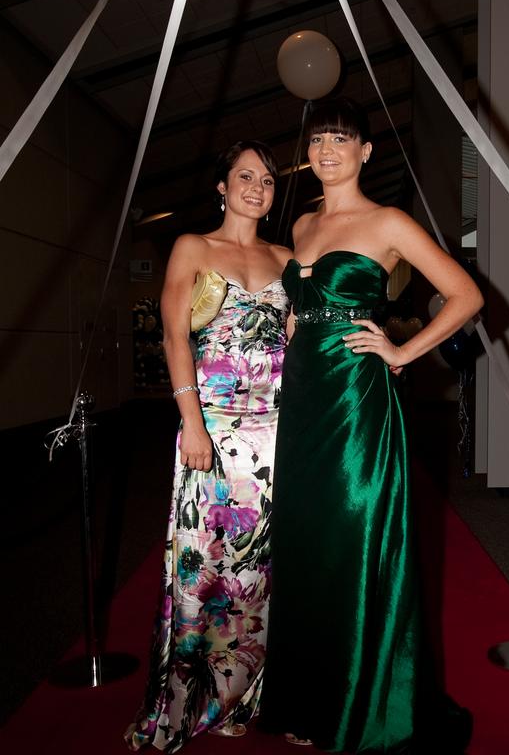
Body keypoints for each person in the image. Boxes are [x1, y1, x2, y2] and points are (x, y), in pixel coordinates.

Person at [260, 98, 483, 753]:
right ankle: (310, 699)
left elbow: (466, 295)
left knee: (355, 538)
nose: (327, 149)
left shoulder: (388, 221)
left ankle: (361, 707)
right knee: (306, 546)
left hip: (357, 399)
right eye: (319, 139)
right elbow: (298, 314)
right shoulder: (300, 224)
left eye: (341, 138)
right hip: (301, 402)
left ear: (365, 152)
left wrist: (402, 352)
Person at [126, 141, 292, 751]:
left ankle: (254, 689)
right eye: (245, 176)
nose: (257, 187)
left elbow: (308, 343)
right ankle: (198, 692)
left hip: (277, 433)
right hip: (213, 430)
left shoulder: (287, 257)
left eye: (268, 180)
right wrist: (190, 422)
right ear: (221, 186)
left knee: (263, 567)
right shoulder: (193, 247)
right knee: (205, 566)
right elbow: (174, 335)